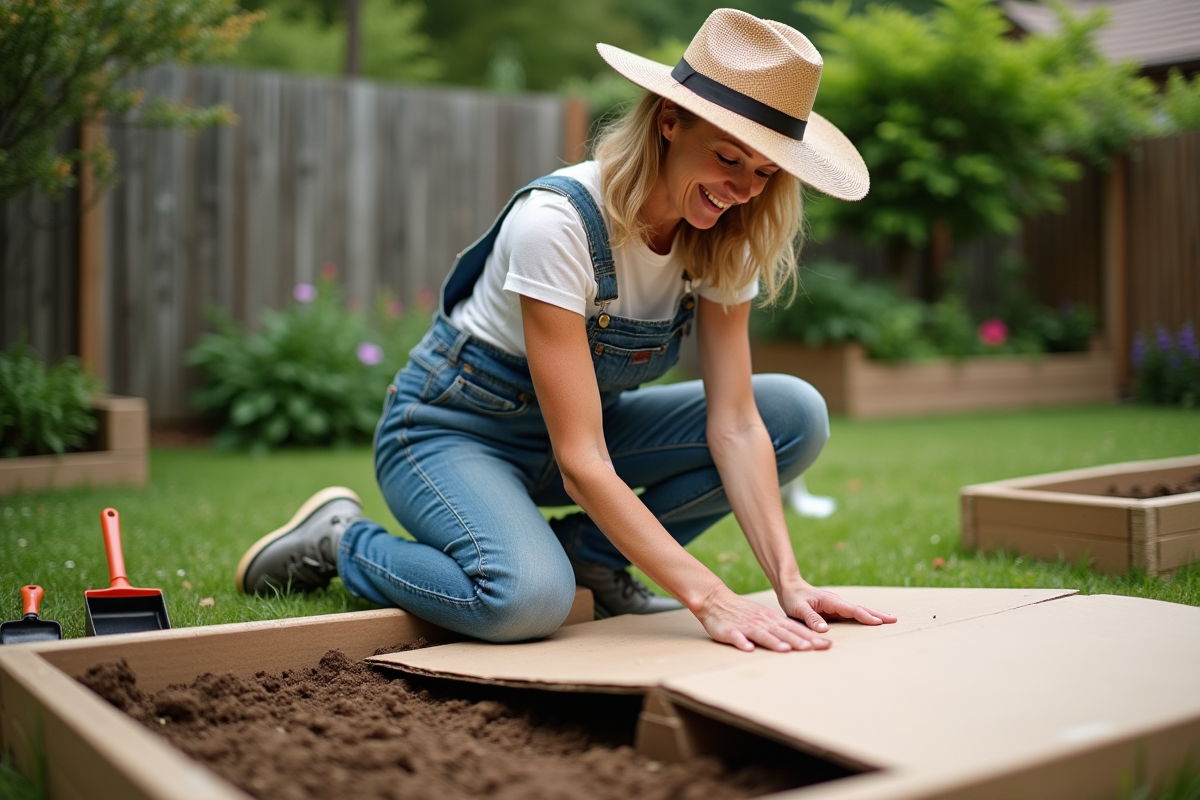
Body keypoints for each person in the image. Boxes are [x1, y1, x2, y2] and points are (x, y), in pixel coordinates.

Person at [234, 8, 897, 651]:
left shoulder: (727, 238)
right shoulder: (559, 223)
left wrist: (788, 582)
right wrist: (709, 597)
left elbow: (737, 423)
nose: (743, 190)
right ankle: (342, 540)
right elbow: (584, 464)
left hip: (578, 436)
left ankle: (593, 564)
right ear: (670, 120)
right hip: (451, 434)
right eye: (729, 157)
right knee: (524, 600)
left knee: (794, 415)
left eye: (764, 172)